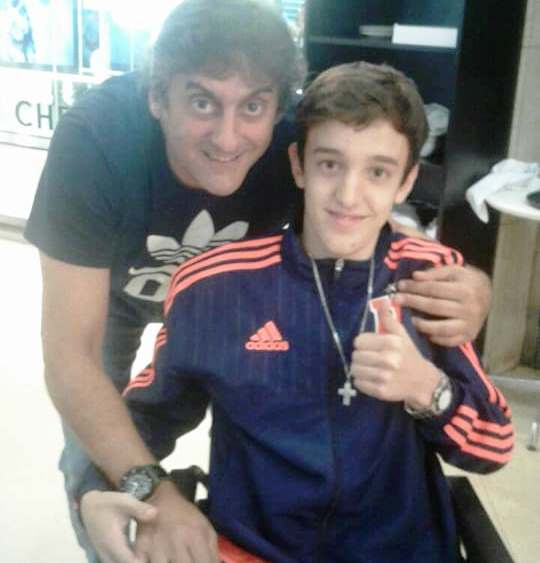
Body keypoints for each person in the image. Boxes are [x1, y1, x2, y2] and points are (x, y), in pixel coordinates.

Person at [24, 0, 490, 561]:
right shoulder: (97, 142)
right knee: (103, 471)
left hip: (228, 296)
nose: (228, 137)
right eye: (202, 101)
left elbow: (366, 216)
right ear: (157, 97)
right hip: (117, 300)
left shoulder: (295, 140)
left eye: (252, 105)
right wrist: (141, 490)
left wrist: (469, 284)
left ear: (277, 108)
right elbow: (71, 355)